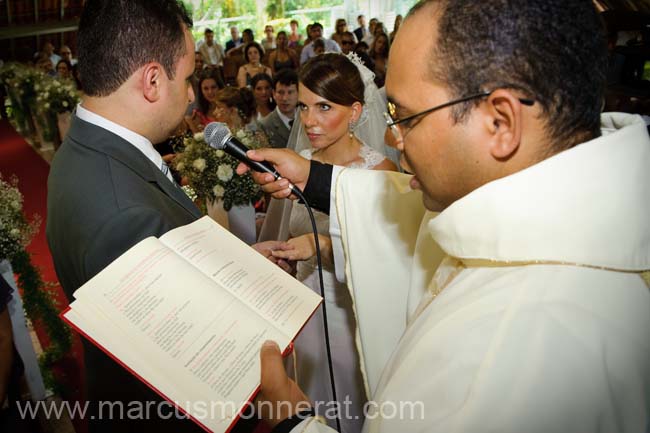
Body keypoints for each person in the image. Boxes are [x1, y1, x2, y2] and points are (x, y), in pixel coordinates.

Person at [242, 1, 650, 432]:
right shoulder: (565, 205)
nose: (390, 136)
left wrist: (293, 421)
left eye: (406, 116)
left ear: (500, 122)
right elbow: (406, 210)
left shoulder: (512, 347)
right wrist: (314, 176)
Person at [46, 1, 203, 432]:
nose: (191, 94)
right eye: (187, 78)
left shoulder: (81, 147)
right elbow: (182, 371)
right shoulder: (125, 217)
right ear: (152, 80)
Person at [256, 53, 396, 433]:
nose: (309, 120)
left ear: (354, 111)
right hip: (302, 307)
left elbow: (390, 260)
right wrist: (284, 256)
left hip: (349, 312)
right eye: (303, 106)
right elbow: (287, 231)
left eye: (323, 106)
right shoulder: (296, 162)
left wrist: (322, 246)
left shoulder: (381, 173)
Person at [259, 69, 299, 149]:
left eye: (290, 92)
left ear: (298, 93)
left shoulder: (306, 118)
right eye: (281, 92)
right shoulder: (264, 125)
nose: (285, 98)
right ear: (273, 94)